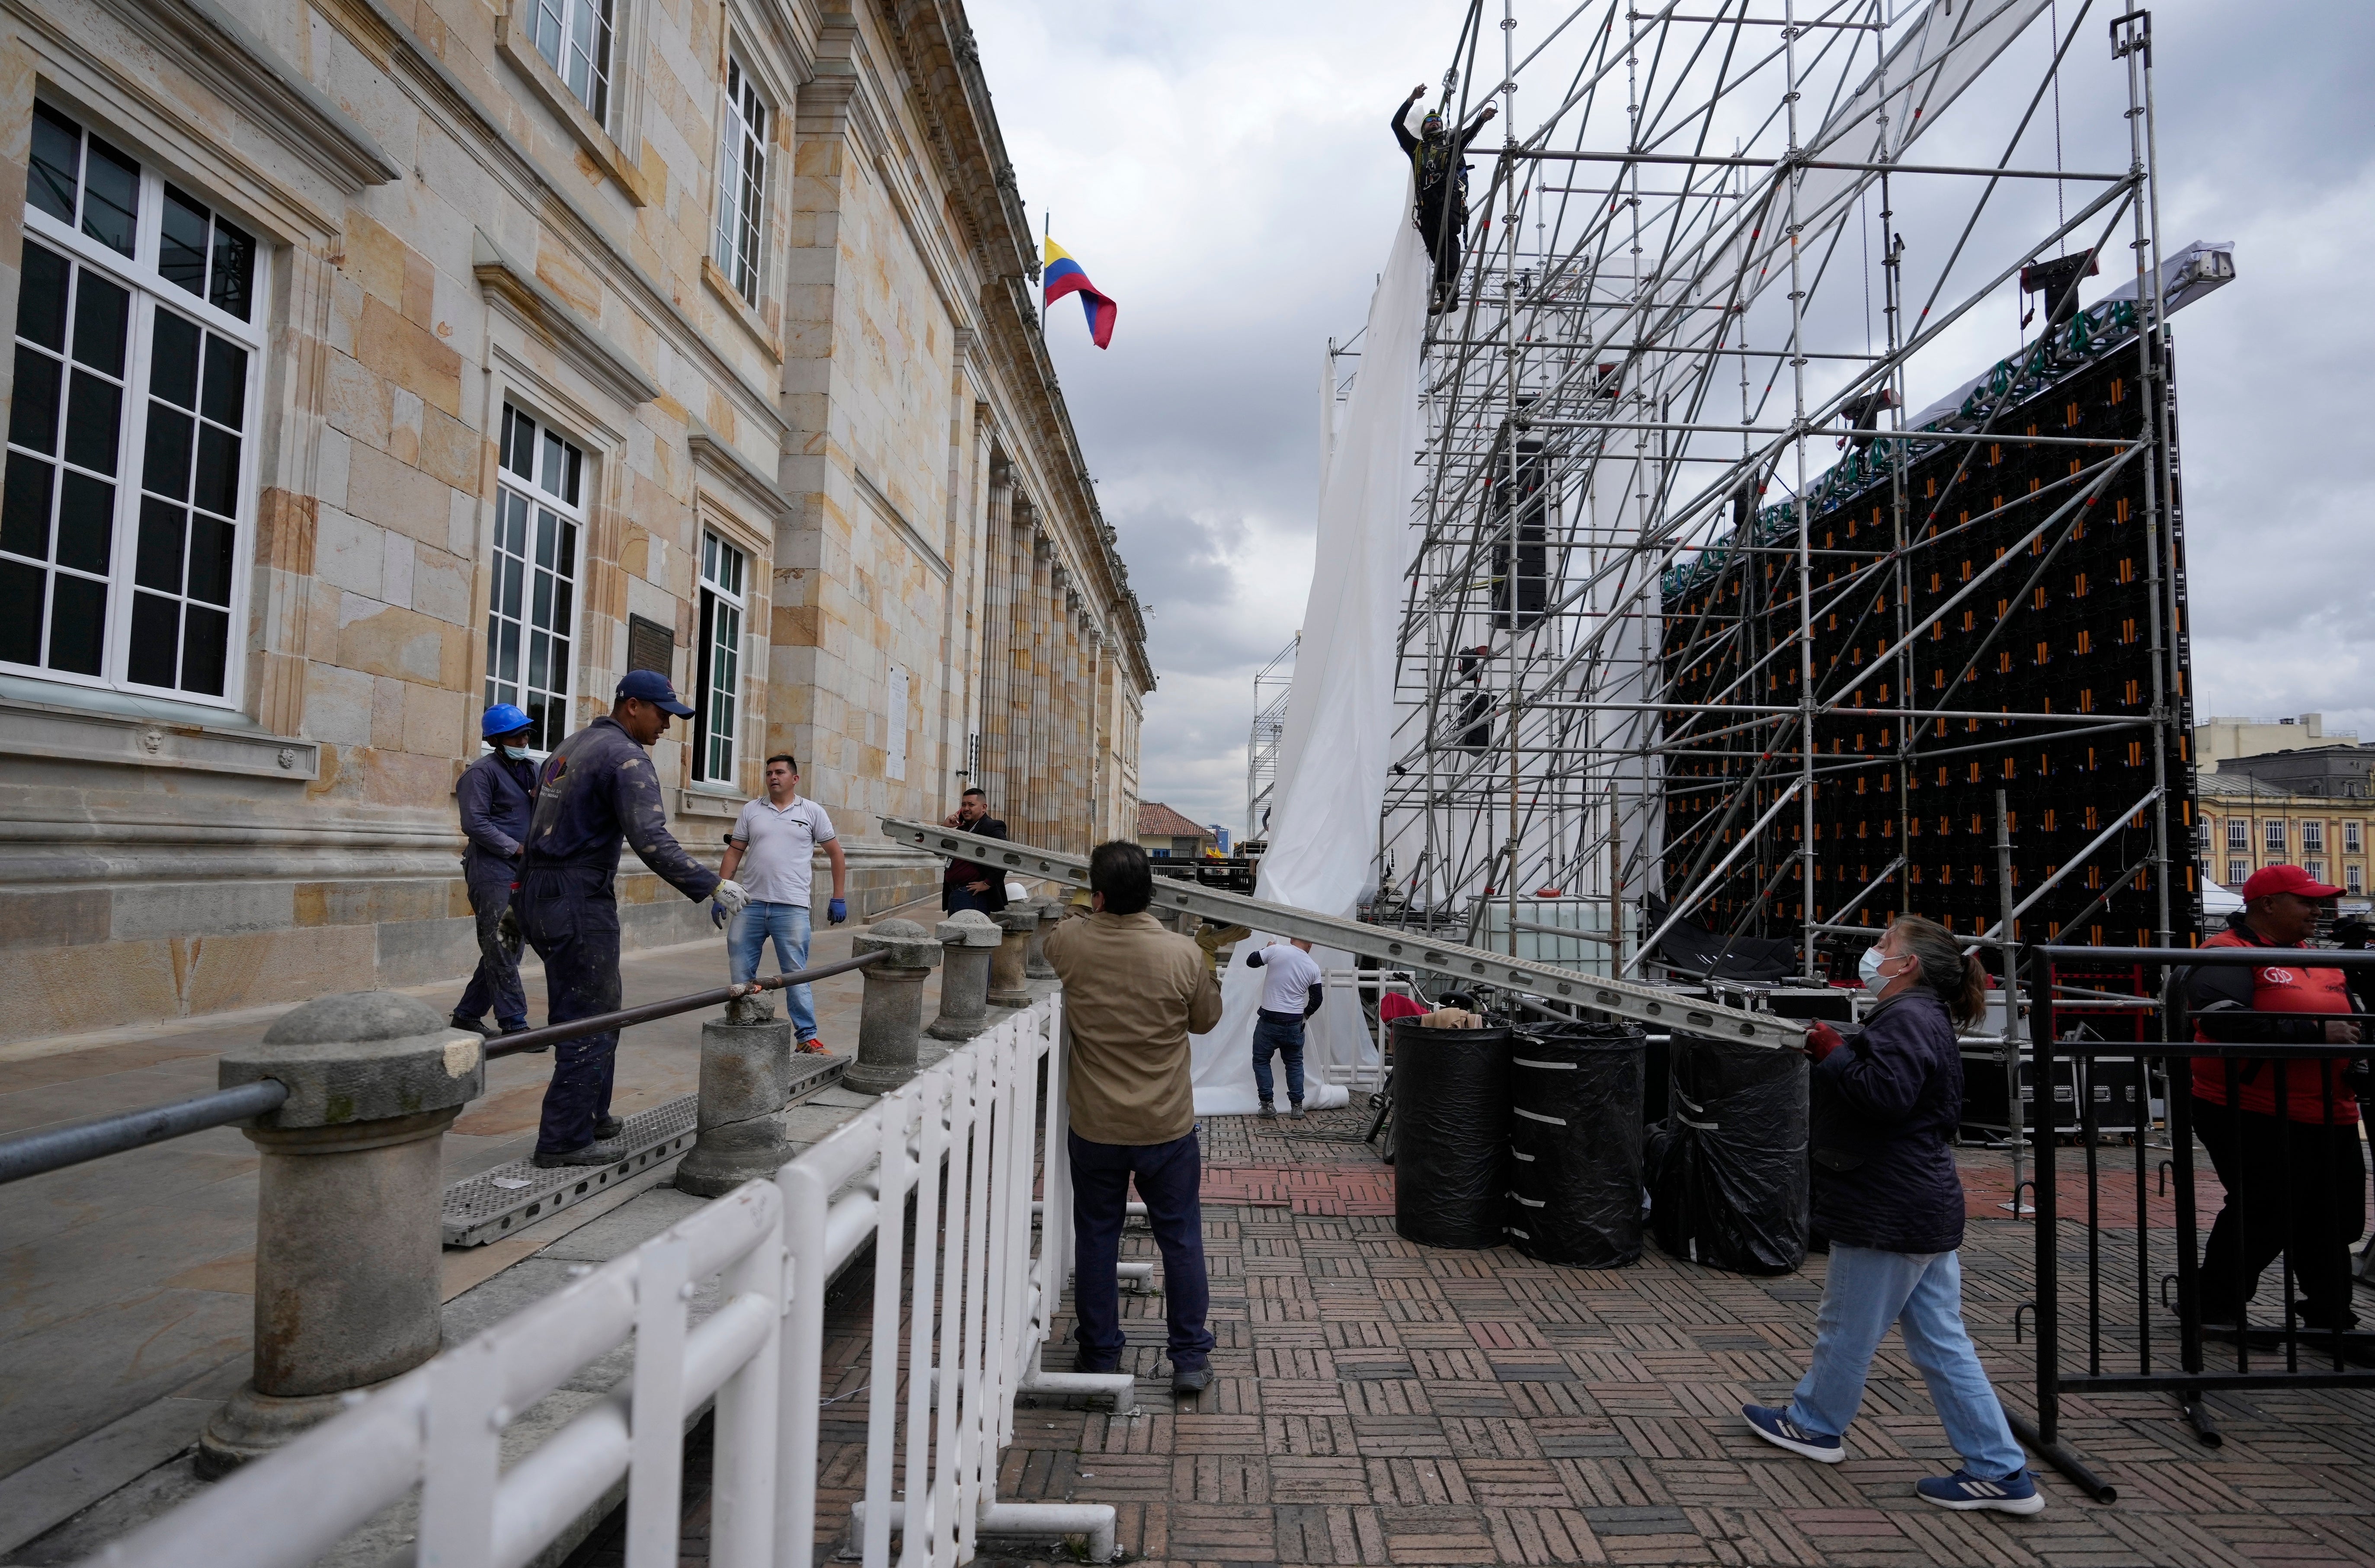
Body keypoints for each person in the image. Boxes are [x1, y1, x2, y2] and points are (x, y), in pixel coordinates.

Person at [1742, 915, 2045, 1516]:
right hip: (1917, 1202)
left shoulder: (1907, 1017)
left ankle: (1815, 1424)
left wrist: (1831, 1052)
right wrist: (1846, 1050)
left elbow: (1887, 1095)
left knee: (1847, 1327)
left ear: (1906, 965)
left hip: (1888, 1203)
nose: (1873, 952)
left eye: (1885, 945)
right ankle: (1998, 1467)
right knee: (1941, 1341)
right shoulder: (1918, 1016)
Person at [520, 671, 746, 1168]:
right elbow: (650, 839)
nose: (666, 723)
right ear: (633, 706)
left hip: (542, 888)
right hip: (578, 894)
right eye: (662, 713)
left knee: (586, 1005)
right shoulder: (626, 757)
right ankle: (564, 1139)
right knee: (591, 1017)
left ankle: (591, 1115)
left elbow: (534, 824)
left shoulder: (571, 744)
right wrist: (711, 883)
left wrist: (520, 900)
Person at [1043, 840, 1224, 1396]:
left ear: (1097, 895)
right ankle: (1189, 1357)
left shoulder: (1072, 942)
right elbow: (1206, 1021)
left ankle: (1099, 1350)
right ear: (1151, 892)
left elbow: (1057, 934)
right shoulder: (1182, 954)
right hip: (1165, 1123)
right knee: (1181, 1237)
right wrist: (1210, 958)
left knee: (1097, 1238)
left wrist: (1083, 905)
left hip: (1096, 1122)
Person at [2183, 864, 2367, 1335]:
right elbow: (2219, 1021)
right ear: (2267, 904)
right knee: (2264, 1209)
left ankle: (2330, 1319)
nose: (2318, 909)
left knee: (2333, 1217)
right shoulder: (2224, 952)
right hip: (2249, 1105)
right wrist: (2310, 1032)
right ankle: (2212, 1306)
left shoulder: (2315, 955)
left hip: (2330, 1106)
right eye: (2305, 901)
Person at [719, 753, 848, 1054]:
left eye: (779, 772)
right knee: (740, 972)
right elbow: (734, 853)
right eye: (769, 773)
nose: (773, 777)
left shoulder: (812, 812)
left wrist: (838, 896)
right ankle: (745, 1027)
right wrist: (721, 891)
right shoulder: (751, 810)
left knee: (795, 974)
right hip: (750, 904)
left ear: (794, 778)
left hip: (791, 907)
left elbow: (836, 854)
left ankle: (807, 1037)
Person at [450, 703, 543, 1046]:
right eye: (516, 735)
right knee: (503, 947)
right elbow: (474, 823)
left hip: (522, 870)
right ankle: (515, 1024)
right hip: (491, 869)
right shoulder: (480, 774)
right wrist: (516, 848)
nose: (524, 739)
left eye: (526, 733)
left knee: (507, 946)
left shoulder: (532, 770)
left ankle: (466, 1016)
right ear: (497, 739)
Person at [1392, 85, 1497, 314]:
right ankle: (1447, 295)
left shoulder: (1450, 144)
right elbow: (1396, 125)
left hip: (1448, 198)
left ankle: (1450, 290)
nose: (1435, 122)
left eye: (1438, 121)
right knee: (1434, 247)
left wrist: (1482, 120)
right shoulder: (1417, 148)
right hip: (1426, 205)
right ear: (1423, 128)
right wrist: (1411, 99)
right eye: (1430, 121)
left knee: (1448, 238)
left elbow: (1467, 135)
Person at [1244, 938, 1324, 1119]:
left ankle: (1267, 1106)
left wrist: (1267, 948)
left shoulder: (1276, 951)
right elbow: (1317, 1000)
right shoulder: (1313, 967)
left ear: (1291, 939)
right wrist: (1304, 1016)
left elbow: (1251, 961)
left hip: (1269, 1021)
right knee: (1295, 1063)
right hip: (1294, 1024)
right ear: (1311, 944)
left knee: (1261, 1060)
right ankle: (1297, 1107)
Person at [940, 787, 1009, 914]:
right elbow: (938, 851)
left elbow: (1006, 856)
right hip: (954, 892)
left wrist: (988, 883)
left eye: (971, 805)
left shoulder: (992, 827)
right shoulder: (962, 829)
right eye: (964, 805)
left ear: (983, 808)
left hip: (973, 895)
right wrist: (945, 828)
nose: (966, 808)